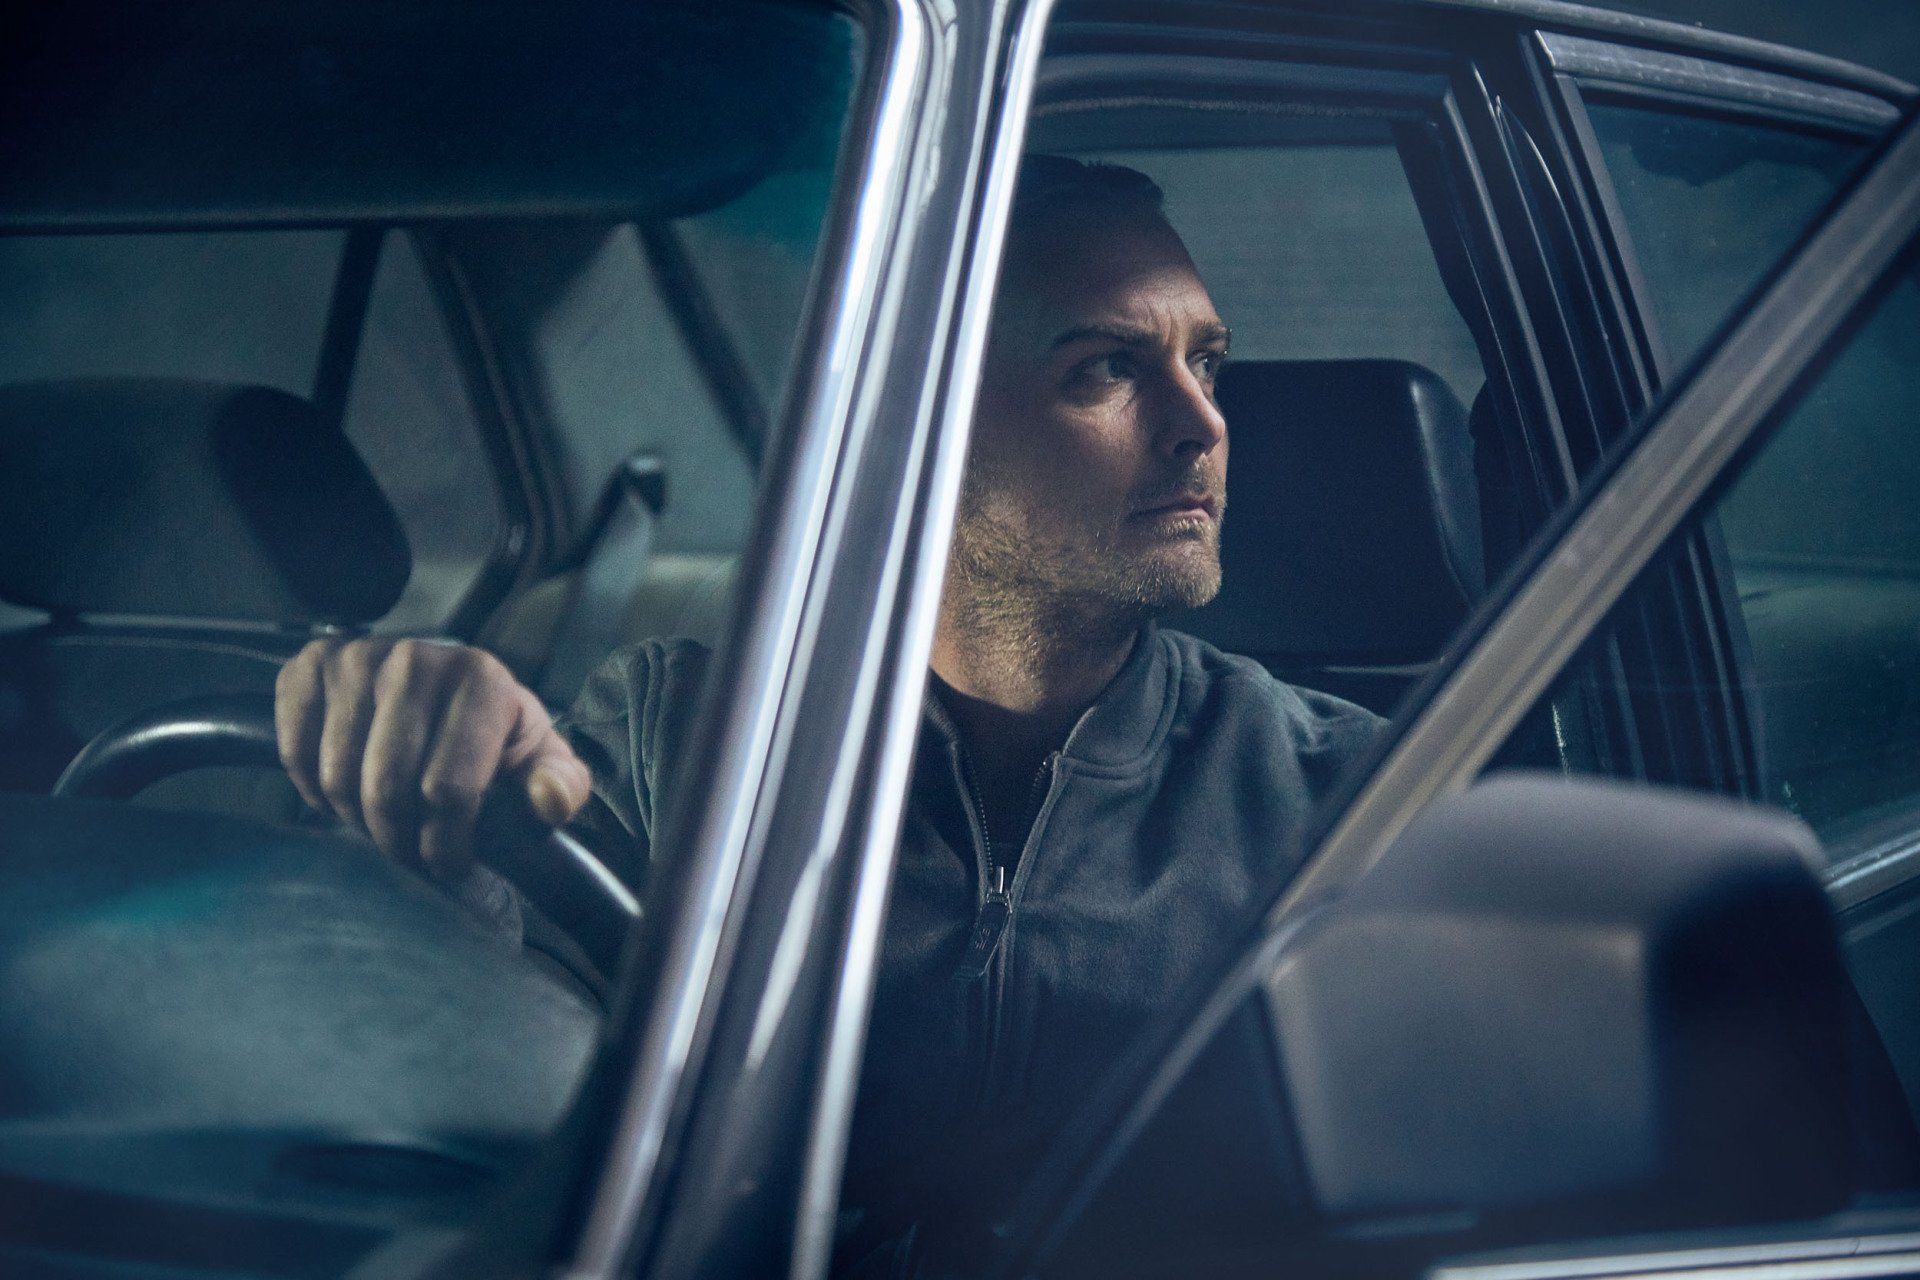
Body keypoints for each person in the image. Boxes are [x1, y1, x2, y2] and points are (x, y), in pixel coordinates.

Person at [275, 154, 1382, 1262]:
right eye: (1107, 369)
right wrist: (437, 813)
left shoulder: (1347, 796)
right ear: (922, 425)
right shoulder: (681, 733)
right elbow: (490, 1079)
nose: (1203, 423)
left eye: (1207, 362)